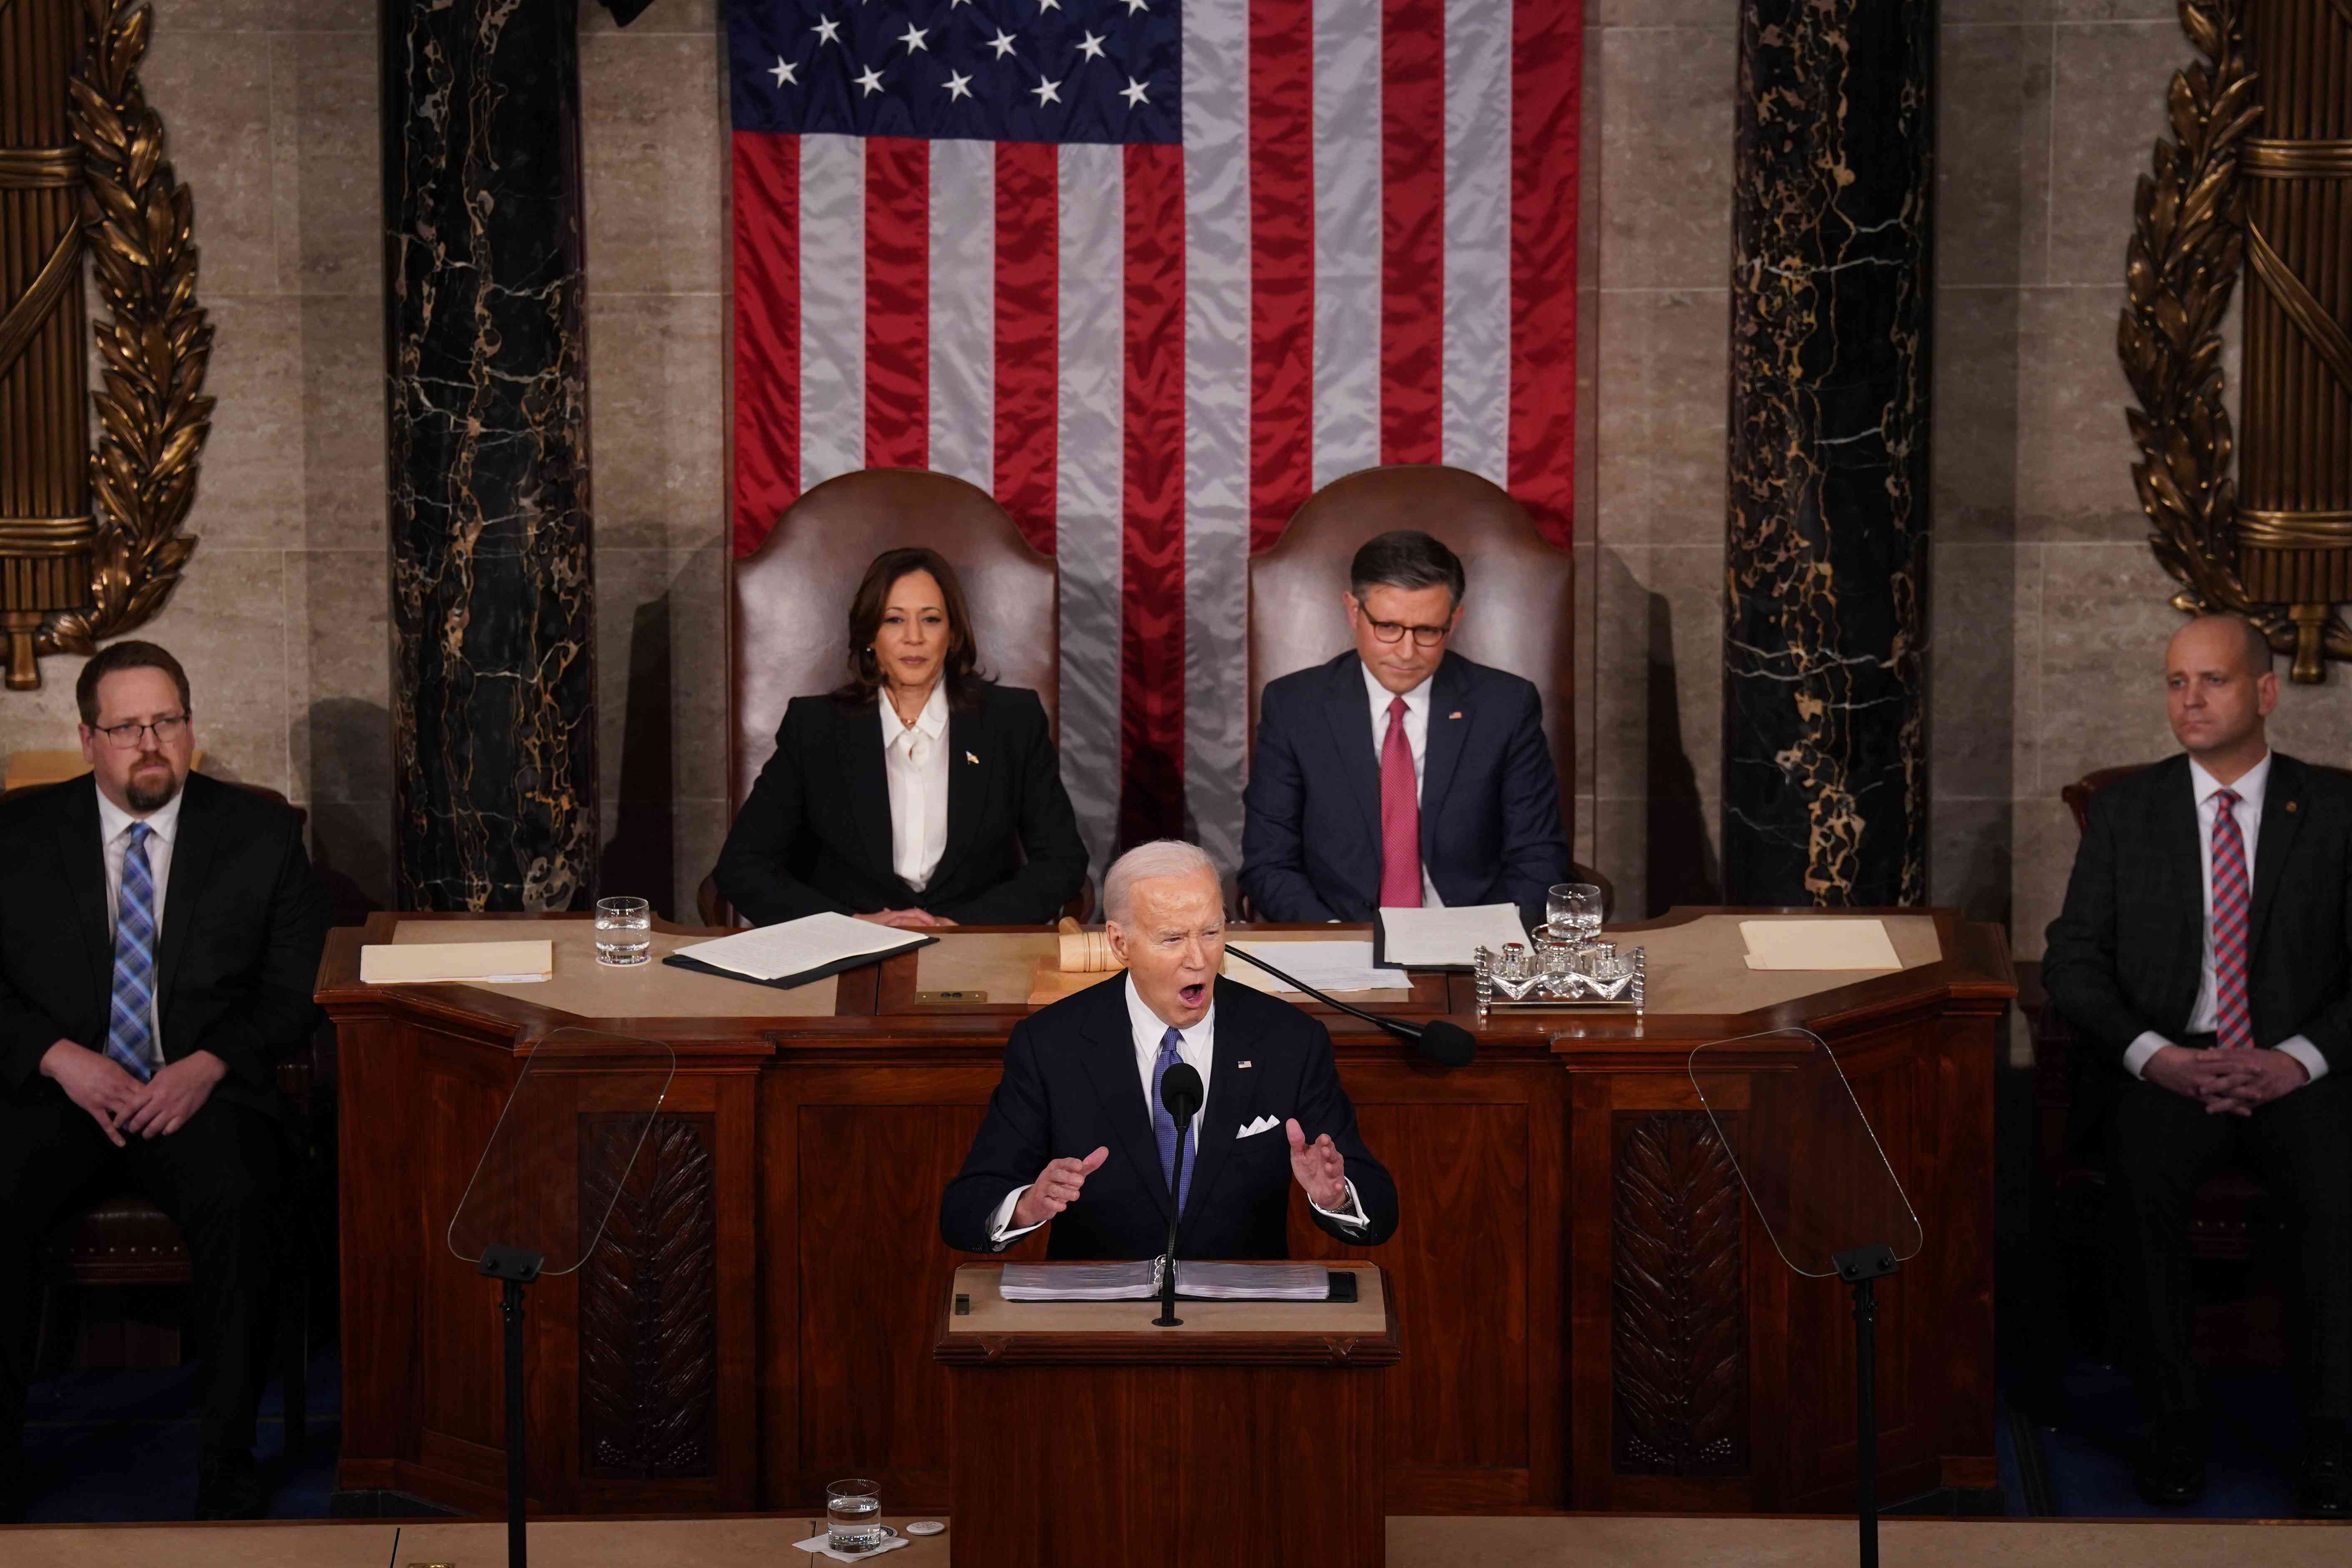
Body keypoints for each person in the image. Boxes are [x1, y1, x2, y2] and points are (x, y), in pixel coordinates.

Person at [0, 642, 328, 1521]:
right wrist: (57, 1057)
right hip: (62, 1094)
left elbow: (293, 987)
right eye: (127, 726)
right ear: (87, 738)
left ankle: (227, 1458)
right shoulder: (19, 836)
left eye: (168, 722)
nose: (150, 743)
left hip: (200, 1093)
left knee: (246, 1195)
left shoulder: (260, 835)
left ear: (190, 727)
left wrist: (206, 1064)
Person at [2043, 614, 2352, 1516]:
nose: (2189, 699)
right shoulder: (2127, 810)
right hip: (2169, 1066)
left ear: (2263, 692)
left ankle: (2332, 1440)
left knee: (2336, 1190)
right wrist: (2158, 1056)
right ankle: (2172, 1428)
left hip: (2297, 1070)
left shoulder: (2334, 810)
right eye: (2176, 681)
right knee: (2140, 1186)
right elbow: (2072, 960)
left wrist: (2294, 1061)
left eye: (2212, 681)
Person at [940, 840, 1397, 1259]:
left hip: (1240, 1324)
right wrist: (1027, 1205)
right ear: (1121, 943)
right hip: (1099, 1327)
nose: (1198, 959)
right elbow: (964, 1210)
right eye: (1173, 939)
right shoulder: (1050, 1045)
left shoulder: (1288, 1041)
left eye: (1211, 933)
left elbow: (1379, 1208)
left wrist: (1335, 1196)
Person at [714, 546, 1088, 928]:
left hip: (977, 950)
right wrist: (849, 924)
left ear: (954, 633)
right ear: (870, 636)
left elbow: (1062, 861)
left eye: (931, 619)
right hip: (846, 954)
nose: (914, 638)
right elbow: (741, 867)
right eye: (894, 620)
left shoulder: (1012, 720)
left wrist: (965, 926)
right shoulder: (814, 727)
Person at [1238, 528, 1571, 930]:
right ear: (1353, 611)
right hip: (1340, 934)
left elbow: (1538, 856)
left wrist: (1482, 937)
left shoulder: (1506, 706)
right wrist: (1332, 938)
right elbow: (1269, 863)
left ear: (1455, 620)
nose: (1407, 651)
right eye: (1388, 627)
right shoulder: (1294, 707)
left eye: (1428, 631)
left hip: (1471, 940)